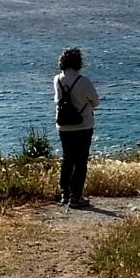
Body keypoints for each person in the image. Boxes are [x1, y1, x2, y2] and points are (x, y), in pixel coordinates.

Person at [53, 47, 100, 208]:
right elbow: (95, 101)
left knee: (67, 159)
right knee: (80, 161)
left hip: (63, 125)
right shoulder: (84, 81)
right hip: (83, 124)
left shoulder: (57, 79)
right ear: (78, 62)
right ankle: (76, 197)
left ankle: (64, 194)